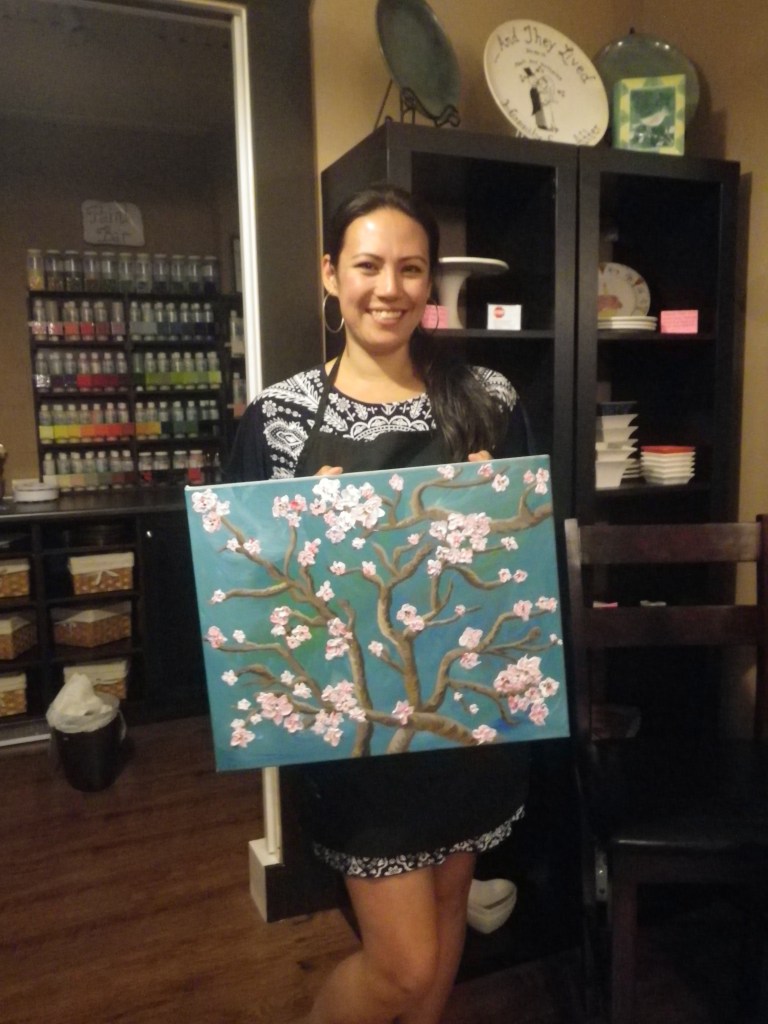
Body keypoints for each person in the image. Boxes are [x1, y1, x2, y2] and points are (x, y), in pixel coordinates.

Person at [227, 184, 532, 1024]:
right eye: (367, 266)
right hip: (355, 733)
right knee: (401, 966)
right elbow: (240, 579)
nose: (389, 288)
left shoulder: (488, 399)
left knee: (447, 915)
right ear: (331, 274)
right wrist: (303, 527)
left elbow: (524, 557)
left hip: (463, 713)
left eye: (410, 268)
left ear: (430, 281)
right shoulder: (281, 420)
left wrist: (493, 509)